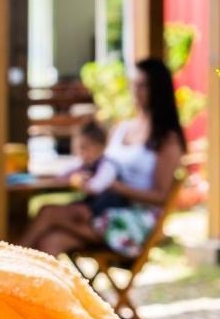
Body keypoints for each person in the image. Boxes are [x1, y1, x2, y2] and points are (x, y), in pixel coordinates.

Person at [21, 57, 185, 258]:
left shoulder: (167, 139)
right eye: (134, 85)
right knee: (50, 241)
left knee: (48, 213)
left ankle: (7, 265)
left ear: (158, 90)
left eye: (143, 86)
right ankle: (26, 284)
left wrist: (115, 186)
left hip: (132, 220)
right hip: (103, 206)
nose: (136, 91)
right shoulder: (122, 129)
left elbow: (160, 197)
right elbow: (101, 165)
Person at [67, 119, 128, 217]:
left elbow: (95, 188)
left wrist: (79, 181)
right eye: (78, 148)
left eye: (83, 147)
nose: (80, 152)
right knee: (52, 211)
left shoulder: (108, 166)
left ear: (99, 147)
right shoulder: (87, 163)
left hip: (107, 213)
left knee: (57, 213)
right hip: (94, 208)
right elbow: (63, 172)